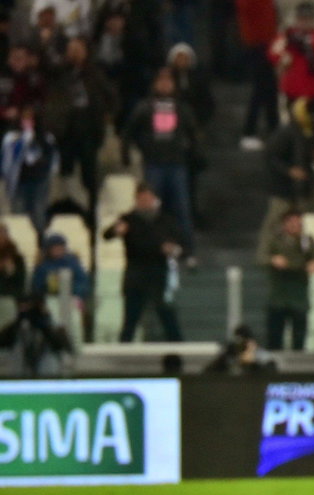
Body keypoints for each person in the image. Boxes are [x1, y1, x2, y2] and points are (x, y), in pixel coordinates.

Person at [122, 67, 200, 259]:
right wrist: (126, 153)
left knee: (182, 209)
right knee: (151, 210)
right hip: (153, 165)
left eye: (169, 81)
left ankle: (187, 250)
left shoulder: (182, 107)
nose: (165, 84)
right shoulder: (145, 106)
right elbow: (129, 131)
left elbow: (194, 132)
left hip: (176, 165)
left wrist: (193, 154)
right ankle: (152, 248)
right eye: (161, 80)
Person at [45, 37, 116, 218]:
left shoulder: (94, 73)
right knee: (64, 173)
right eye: (71, 49)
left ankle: (91, 214)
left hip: (88, 132)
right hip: (66, 131)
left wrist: (105, 117)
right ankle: (65, 210)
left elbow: (112, 98)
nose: (74, 52)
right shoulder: (60, 73)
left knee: (89, 176)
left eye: (78, 48)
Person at [102, 183, 183, 342]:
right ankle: (124, 353)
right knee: (130, 320)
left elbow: (179, 243)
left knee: (168, 317)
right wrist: (116, 231)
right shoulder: (128, 219)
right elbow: (106, 235)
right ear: (136, 200)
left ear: (154, 199)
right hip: (135, 273)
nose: (145, 202)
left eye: (148, 198)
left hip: (159, 273)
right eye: (141, 199)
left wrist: (173, 249)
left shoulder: (165, 219)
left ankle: (178, 350)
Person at [268, 1, 314, 145]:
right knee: (296, 135)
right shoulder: (287, 36)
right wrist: (284, 58)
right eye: (301, 19)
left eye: (308, 19)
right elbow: (273, 54)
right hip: (294, 94)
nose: (304, 23)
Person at [258, 98, 314, 263]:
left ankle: (299, 258)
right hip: (283, 189)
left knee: (300, 227)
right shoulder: (286, 132)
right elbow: (269, 155)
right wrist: (289, 171)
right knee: (273, 224)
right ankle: (263, 257)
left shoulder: (307, 133)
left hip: (300, 190)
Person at [265, 210, 314, 351]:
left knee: (299, 336)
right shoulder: (275, 240)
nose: (296, 226)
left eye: (298, 223)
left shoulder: (307, 241)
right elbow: (261, 257)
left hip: (299, 294)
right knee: (275, 337)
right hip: (279, 295)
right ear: (285, 224)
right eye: (292, 222)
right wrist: (273, 260)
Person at [2, 105, 57, 234]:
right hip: (19, 183)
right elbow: (8, 160)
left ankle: (40, 242)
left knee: (38, 214)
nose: (27, 123)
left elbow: (52, 159)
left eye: (30, 120)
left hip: (39, 182)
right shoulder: (12, 138)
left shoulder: (46, 138)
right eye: (24, 120)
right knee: (19, 215)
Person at [236, 0, 279, 149]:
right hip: (257, 44)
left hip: (266, 42)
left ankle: (273, 129)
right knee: (261, 89)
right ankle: (249, 132)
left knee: (270, 90)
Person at [0, 292, 71, 376]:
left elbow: (66, 349)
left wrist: (45, 325)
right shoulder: (15, 329)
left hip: (48, 379)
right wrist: (18, 322)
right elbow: (3, 342)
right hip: (19, 379)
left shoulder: (55, 328)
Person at [30, 233, 88, 302]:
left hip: (71, 298)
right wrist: (48, 285)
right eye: (54, 248)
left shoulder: (72, 263)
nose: (57, 250)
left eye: (60, 247)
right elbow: (37, 286)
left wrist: (73, 291)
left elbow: (82, 281)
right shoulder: (43, 265)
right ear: (48, 250)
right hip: (49, 299)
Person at [204, 324, 277, 374]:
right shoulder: (231, 356)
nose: (241, 347)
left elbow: (272, 375)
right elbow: (207, 373)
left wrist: (253, 363)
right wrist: (222, 359)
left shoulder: (262, 355)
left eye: (244, 343)